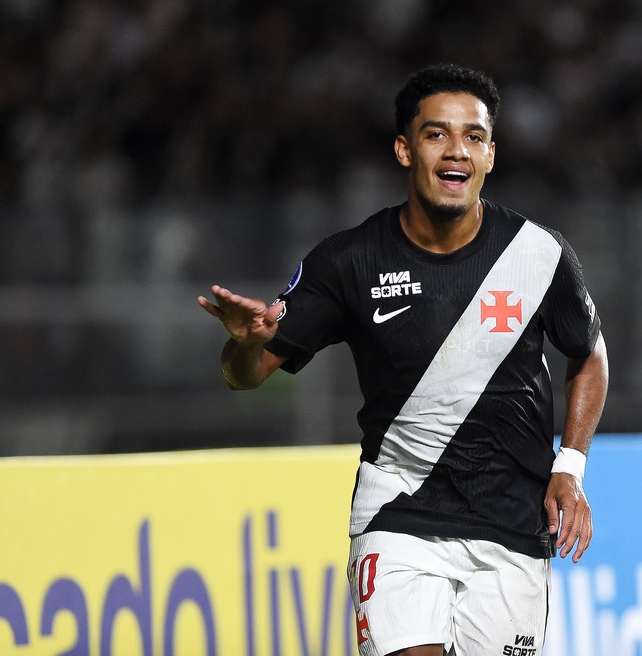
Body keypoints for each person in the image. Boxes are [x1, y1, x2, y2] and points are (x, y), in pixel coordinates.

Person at [198, 62, 608, 656]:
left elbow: (590, 354)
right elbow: (245, 377)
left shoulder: (538, 254)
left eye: (473, 137)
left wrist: (569, 466)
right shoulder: (349, 261)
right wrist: (247, 342)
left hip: (513, 525)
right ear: (404, 149)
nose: (456, 151)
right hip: (397, 515)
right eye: (436, 134)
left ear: (491, 155)